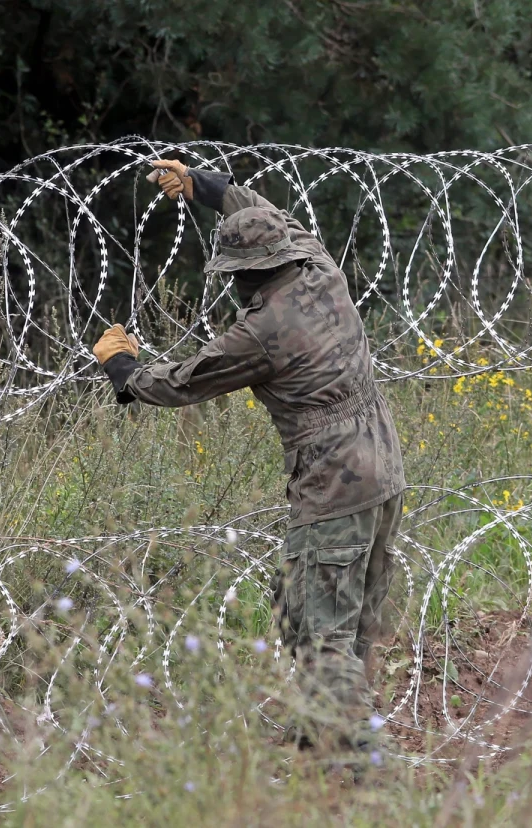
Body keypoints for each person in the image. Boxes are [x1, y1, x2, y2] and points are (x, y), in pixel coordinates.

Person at [92, 159, 406, 754]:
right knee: (336, 612)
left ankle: (367, 761)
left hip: (333, 480)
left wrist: (122, 367)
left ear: (246, 273)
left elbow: (185, 382)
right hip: (384, 463)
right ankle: (322, 729)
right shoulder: (320, 265)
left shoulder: (263, 331)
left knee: (320, 631)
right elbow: (273, 215)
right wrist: (207, 187)